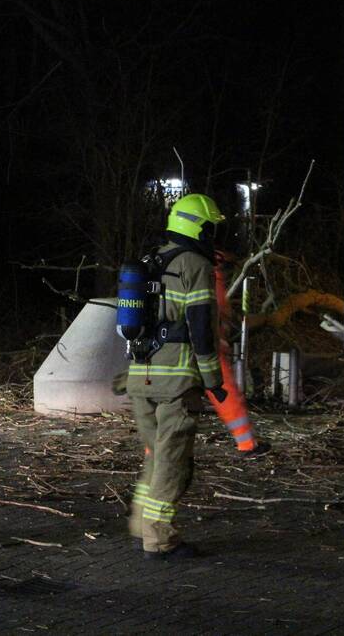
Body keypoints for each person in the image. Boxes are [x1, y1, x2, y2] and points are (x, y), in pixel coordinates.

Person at [125, 193, 230, 560]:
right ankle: (160, 540)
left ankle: (141, 528)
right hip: (176, 384)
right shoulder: (194, 265)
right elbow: (201, 327)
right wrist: (214, 380)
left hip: (140, 377)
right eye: (211, 227)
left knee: (156, 457)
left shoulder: (150, 261)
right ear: (199, 227)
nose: (213, 235)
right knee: (173, 463)